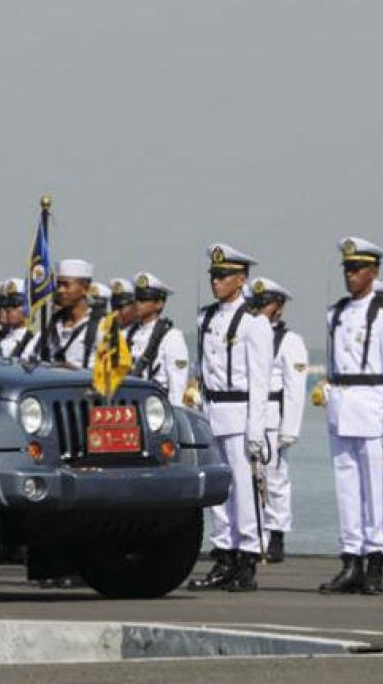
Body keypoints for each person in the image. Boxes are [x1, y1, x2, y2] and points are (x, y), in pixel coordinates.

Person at [316, 240, 383, 595]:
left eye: (357, 269)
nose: (350, 275)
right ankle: (350, 559)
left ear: (374, 272)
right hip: (342, 407)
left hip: (372, 406)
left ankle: (374, 562)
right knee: (346, 489)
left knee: (374, 490)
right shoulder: (335, 313)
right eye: (347, 269)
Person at [186, 243, 273, 593]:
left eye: (223, 276)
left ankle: (247, 556)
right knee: (218, 491)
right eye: (213, 275)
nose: (216, 282)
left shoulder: (255, 322)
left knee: (244, 489)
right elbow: (204, 366)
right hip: (212, 410)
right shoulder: (206, 317)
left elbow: (261, 378)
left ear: (241, 279)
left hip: (240, 412)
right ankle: (223, 554)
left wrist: (257, 427)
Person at [246, 276, 308, 565]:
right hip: (247, 413)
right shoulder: (244, 333)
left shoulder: (289, 341)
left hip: (273, 415)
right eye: (255, 304)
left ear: (279, 307)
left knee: (274, 479)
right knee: (247, 480)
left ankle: (277, 535)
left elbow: (295, 387)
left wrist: (290, 428)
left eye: (266, 304)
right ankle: (254, 535)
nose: (260, 309)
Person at [21, 259, 104, 369]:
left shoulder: (101, 327)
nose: (60, 290)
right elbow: (26, 358)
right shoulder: (52, 325)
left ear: (85, 288)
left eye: (66, 285)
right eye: (59, 285)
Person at [125, 272, 189, 407]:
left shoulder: (171, 338)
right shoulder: (128, 334)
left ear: (159, 303)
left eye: (143, 299)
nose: (137, 303)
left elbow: (177, 387)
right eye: (136, 299)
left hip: (155, 409)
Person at [0, 278, 32, 358]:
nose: (8, 308)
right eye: (6, 304)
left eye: (14, 304)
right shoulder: (2, 339)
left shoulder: (31, 341)